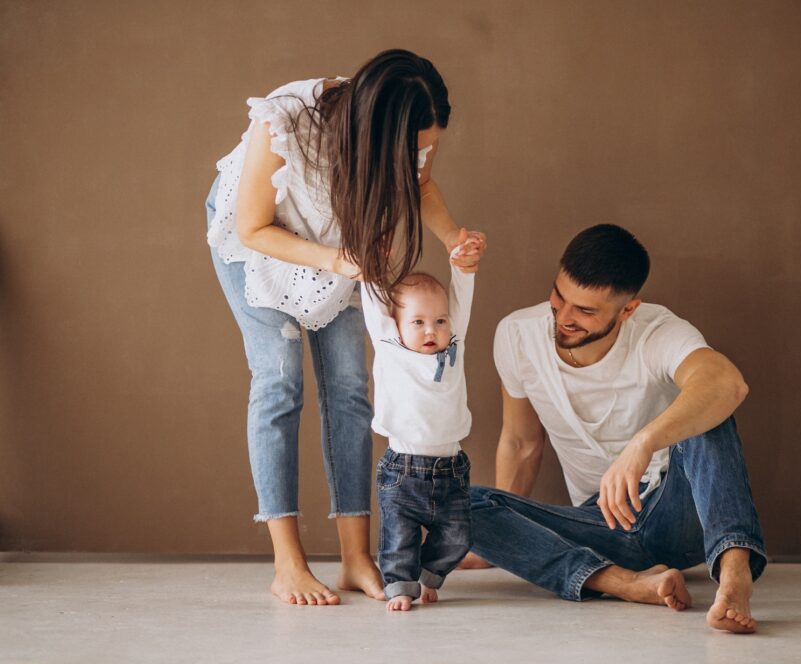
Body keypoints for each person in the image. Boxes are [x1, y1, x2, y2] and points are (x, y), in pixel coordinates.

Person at [205, 49, 483, 606]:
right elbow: (253, 227)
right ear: (377, 131)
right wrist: (338, 261)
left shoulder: (408, 133)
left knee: (351, 387)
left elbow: (421, 186)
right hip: (259, 245)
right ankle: (288, 563)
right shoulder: (285, 118)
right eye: (412, 146)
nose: (419, 155)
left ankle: (356, 559)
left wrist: (455, 240)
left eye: (426, 145)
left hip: (341, 244)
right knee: (280, 381)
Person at [462, 224, 767, 633]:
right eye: (559, 296)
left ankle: (733, 574)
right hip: (600, 525)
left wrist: (643, 443)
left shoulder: (657, 331)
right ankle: (627, 584)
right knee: (455, 501)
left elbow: (727, 383)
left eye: (586, 311)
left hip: (676, 513)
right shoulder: (517, 335)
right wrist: (502, 535)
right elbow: (520, 443)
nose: (564, 318)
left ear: (628, 310)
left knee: (710, 409)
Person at [360, 237, 481, 611]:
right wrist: (373, 269)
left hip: (452, 468)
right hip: (403, 469)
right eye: (418, 322)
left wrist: (462, 267)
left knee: (458, 536)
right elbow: (374, 304)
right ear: (397, 326)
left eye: (439, 321)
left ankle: (429, 577)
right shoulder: (391, 346)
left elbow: (462, 300)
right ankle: (399, 587)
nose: (431, 331)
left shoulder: (453, 345)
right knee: (399, 537)